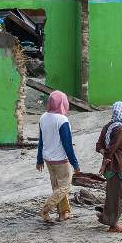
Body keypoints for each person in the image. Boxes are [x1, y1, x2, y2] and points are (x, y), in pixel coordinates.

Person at [35, 91, 79, 224]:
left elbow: (41, 140)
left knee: (57, 187)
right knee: (64, 187)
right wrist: (75, 163)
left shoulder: (43, 117)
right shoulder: (62, 120)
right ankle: (45, 209)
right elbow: (67, 145)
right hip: (60, 160)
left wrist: (39, 159)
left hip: (48, 159)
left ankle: (62, 214)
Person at [95, 101, 122, 234]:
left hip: (111, 168)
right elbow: (111, 149)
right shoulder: (120, 129)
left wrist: (105, 155)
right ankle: (113, 224)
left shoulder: (108, 126)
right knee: (119, 197)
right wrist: (107, 155)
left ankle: (107, 218)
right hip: (119, 168)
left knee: (112, 195)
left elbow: (99, 146)